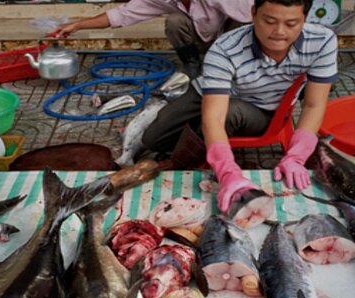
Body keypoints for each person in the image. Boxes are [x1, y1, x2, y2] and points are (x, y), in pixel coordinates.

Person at [141, 0, 337, 213]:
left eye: (291, 24)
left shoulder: (323, 40)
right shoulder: (225, 48)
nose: (279, 32)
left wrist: (297, 156)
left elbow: (314, 105)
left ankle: (185, 160)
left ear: (305, 19)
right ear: (253, 13)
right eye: (269, 21)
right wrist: (229, 174)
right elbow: (213, 115)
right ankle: (195, 139)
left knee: (229, 114)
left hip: (260, 108)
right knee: (153, 139)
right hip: (209, 92)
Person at [52, 0, 253, 78]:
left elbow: (257, 15)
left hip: (229, 37)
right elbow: (121, 15)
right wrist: (76, 25)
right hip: (203, 39)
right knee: (175, 21)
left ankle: (237, 66)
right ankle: (192, 65)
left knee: (246, 25)